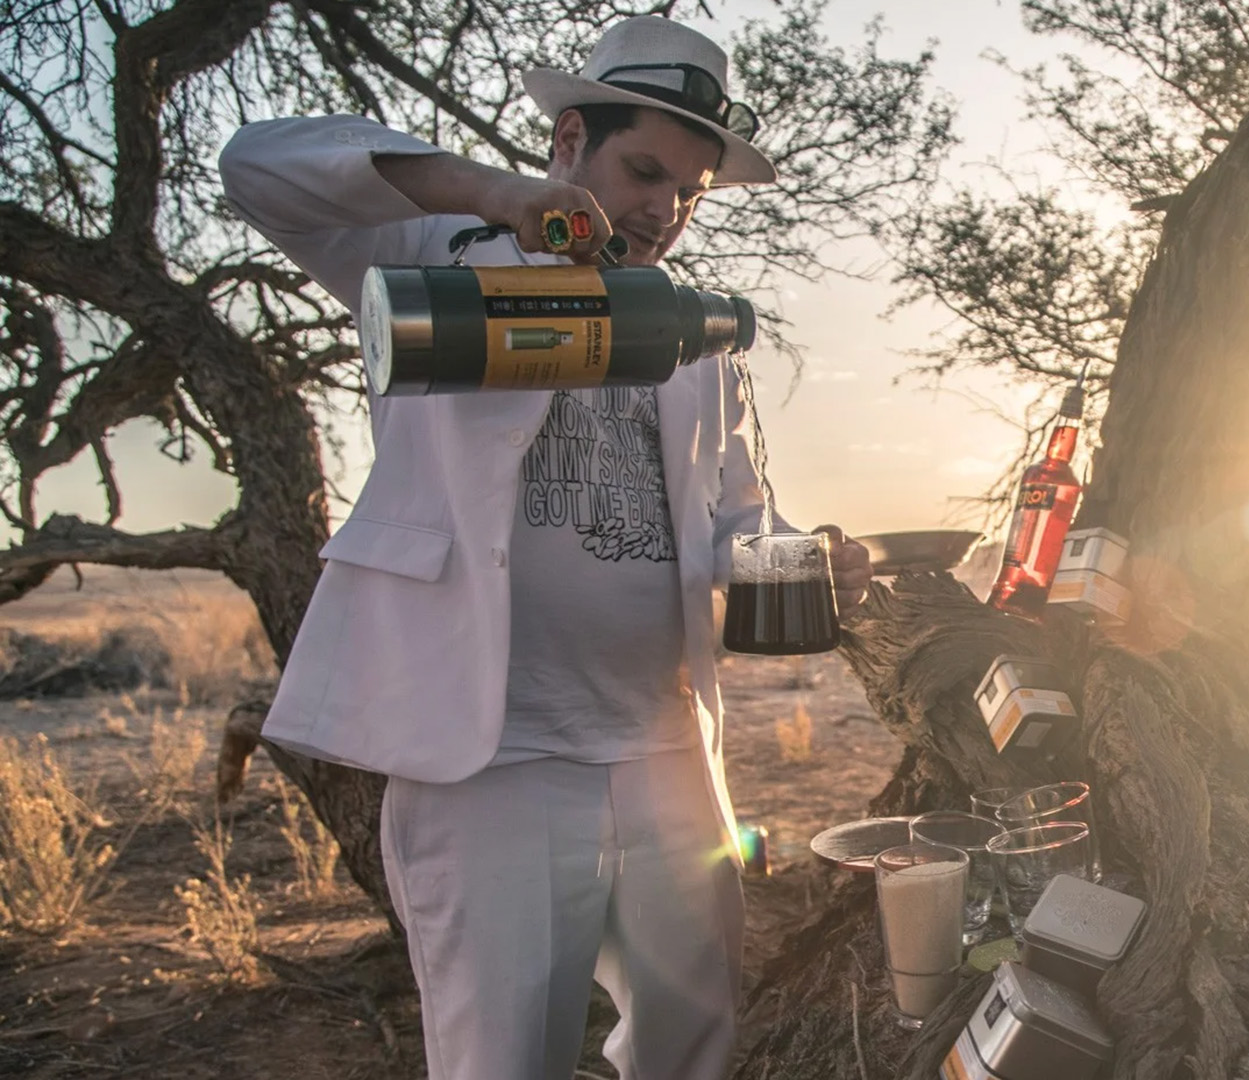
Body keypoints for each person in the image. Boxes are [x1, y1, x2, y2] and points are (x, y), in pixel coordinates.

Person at [219, 16, 871, 1080]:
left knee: (689, 1044)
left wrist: (812, 556)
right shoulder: (439, 253)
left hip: (666, 754)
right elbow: (258, 167)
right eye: (644, 170)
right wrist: (490, 195)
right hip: (491, 761)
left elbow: (740, 526)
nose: (663, 210)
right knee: (502, 1059)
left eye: (689, 194)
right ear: (569, 141)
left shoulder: (700, 344)